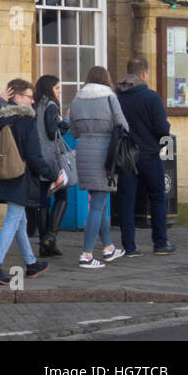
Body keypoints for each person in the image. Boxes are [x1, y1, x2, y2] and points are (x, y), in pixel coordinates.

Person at [0, 79, 62, 284]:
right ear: (17, 97)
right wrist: (53, 174)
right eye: (28, 96)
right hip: (20, 175)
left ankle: (31, 263)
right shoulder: (26, 120)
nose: (32, 101)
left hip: (1, 173)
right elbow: (34, 156)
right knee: (13, 219)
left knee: (21, 220)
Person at [68, 66, 130, 268]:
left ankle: (109, 248)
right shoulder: (110, 98)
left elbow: (74, 131)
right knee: (97, 205)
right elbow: (122, 126)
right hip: (106, 153)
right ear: (106, 79)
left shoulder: (77, 99)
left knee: (100, 201)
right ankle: (86, 254)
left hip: (84, 149)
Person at [115, 58, 175, 255]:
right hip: (148, 154)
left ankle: (129, 247)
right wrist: (159, 138)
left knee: (127, 200)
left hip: (124, 155)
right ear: (143, 74)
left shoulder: (116, 96)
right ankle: (160, 243)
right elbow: (162, 128)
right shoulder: (151, 97)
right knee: (157, 198)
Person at [27, 74, 70, 257]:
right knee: (62, 196)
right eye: (57, 88)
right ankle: (50, 236)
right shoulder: (51, 106)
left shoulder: (35, 104)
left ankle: (44, 244)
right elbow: (53, 132)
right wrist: (66, 122)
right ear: (49, 89)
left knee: (43, 200)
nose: (60, 92)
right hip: (51, 159)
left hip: (37, 157)